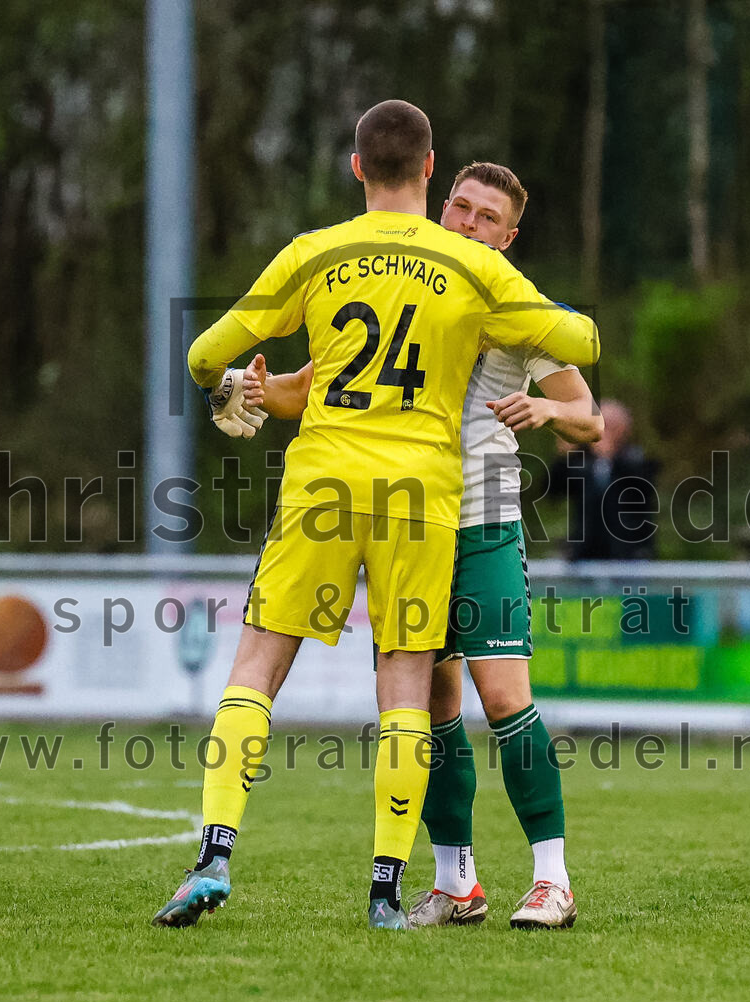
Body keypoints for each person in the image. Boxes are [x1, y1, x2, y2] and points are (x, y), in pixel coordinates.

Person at [151, 101, 599, 932]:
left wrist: (545, 407)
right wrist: (259, 392)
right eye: (461, 205)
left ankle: (550, 876)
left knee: (489, 698)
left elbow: (591, 410)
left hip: (443, 508)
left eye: (487, 217)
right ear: (432, 178)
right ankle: (432, 884)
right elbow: (302, 388)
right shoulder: (466, 278)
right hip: (420, 503)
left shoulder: (376, 267)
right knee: (420, 695)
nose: (468, 221)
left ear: (358, 168)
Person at [551, 399, 658, 560]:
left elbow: (640, 491)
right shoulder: (582, 462)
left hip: (629, 555)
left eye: (611, 426)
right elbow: (553, 490)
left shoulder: (636, 460)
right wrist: (564, 456)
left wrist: (609, 457)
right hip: (585, 554)